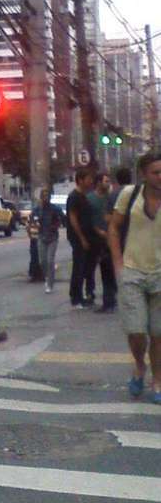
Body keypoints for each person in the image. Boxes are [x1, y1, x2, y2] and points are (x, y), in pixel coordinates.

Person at [107, 151, 161, 403]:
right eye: (156, 172)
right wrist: (118, 263)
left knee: (158, 333)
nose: (160, 177)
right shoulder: (129, 196)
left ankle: (158, 379)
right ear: (144, 174)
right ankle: (139, 365)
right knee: (137, 330)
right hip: (132, 272)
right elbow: (114, 229)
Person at [86, 172, 118, 312]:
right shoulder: (90, 199)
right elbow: (87, 219)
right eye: (106, 181)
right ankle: (90, 293)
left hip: (110, 239)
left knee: (109, 270)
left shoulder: (111, 198)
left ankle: (110, 300)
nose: (108, 183)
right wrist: (97, 230)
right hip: (94, 239)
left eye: (109, 181)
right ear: (98, 182)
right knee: (91, 268)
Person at [66, 167, 95, 308]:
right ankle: (75, 297)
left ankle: (81, 295)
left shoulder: (84, 195)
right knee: (78, 267)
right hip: (78, 238)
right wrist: (82, 238)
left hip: (87, 236)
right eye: (88, 178)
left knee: (84, 267)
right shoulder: (74, 197)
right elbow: (73, 219)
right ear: (80, 180)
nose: (91, 181)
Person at [29, 188, 64, 293]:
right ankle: (47, 277)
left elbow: (62, 218)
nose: (45, 198)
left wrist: (56, 224)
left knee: (50, 260)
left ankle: (50, 284)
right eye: (43, 196)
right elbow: (32, 219)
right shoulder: (37, 209)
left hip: (53, 237)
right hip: (41, 236)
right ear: (41, 197)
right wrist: (35, 223)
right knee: (42, 261)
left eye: (47, 196)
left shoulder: (55, 209)